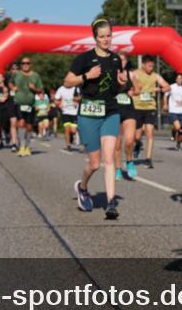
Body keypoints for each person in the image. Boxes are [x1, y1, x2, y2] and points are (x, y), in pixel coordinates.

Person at [65, 18, 128, 219]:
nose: (106, 40)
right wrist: (87, 76)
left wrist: (121, 83)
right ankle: (83, 187)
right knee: (94, 163)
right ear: (95, 38)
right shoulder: (83, 59)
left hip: (110, 111)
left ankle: (110, 203)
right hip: (89, 113)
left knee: (109, 158)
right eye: (102, 36)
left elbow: (117, 88)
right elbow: (67, 82)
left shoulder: (116, 59)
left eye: (109, 35)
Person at [125, 55, 170, 169]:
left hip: (150, 107)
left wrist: (161, 89)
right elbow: (127, 87)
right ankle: (138, 144)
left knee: (150, 132)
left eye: (152, 66)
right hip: (137, 107)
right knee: (137, 136)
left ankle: (148, 159)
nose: (151, 68)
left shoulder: (155, 76)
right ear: (143, 64)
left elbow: (167, 86)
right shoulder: (135, 74)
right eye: (149, 66)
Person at [10, 56, 43, 156]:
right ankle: (21, 146)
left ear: (31, 65)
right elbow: (10, 83)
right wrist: (13, 87)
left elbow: (40, 89)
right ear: (21, 65)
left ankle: (27, 147)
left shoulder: (36, 76)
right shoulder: (16, 74)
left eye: (28, 63)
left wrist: (34, 89)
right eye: (23, 63)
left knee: (29, 127)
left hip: (30, 104)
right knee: (20, 124)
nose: (25, 65)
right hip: (19, 103)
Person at [114, 52, 136, 180]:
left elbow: (138, 89)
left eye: (122, 60)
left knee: (129, 140)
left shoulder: (131, 75)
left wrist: (133, 91)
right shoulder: (111, 74)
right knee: (117, 144)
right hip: (114, 110)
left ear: (126, 62)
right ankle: (117, 169)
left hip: (128, 109)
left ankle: (129, 161)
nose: (120, 62)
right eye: (118, 60)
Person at [164, 74, 182, 151]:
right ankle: (173, 131)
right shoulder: (172, 87)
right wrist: (165, 104)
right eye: (178, 78)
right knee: (178, 127)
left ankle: (178, 144)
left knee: (181, 130)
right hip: (173, 110)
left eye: (181, 78)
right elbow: (165, 95)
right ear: (175, 80)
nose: (179, 80)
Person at [55, 82, 81, 151]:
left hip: (74, 112)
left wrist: (77, 99)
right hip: (65, 112)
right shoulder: (61, 89)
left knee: (73, 130)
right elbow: (56, 100)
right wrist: (59, 104)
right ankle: (68, 145)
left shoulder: (76, 89)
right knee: (67, 129)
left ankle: (73, 137)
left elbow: (81, 97)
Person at [0, 72, 15, 150]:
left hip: (6, 107)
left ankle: (7, 133)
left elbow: (5, 97)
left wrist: (3, 96)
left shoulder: (7, 87)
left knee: (5, 122)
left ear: (3, 78)